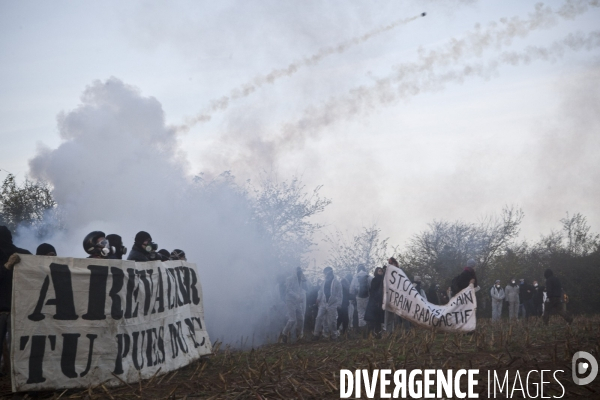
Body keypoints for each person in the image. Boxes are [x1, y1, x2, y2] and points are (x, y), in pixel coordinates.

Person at [0, 226, 31, 377]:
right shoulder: (20, 255)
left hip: (18, 311)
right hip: (7, 311)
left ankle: (18, 379)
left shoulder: (23, 255)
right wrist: (7, 266)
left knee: (19, 349)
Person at [313, 267, 342, 340]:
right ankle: (317, 334)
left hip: (332, 304)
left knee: (332, 320)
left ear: (330, 272)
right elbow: (320, 291)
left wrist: (339, 304)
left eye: (325, 272)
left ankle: (334, 336)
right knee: (319, 318)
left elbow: (340, 294)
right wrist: (318, 298)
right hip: (323, 303)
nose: (325, 274)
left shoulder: (337, 282)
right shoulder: (324, 282)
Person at [281, 267, 307, 343]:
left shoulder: (301, 279)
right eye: (299, 272)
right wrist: (297, 296)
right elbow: (288, 290)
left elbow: (304, 285)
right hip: (290, 301)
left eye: (301, 272)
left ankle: (299, 335)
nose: (300, 273)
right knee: (292, 319)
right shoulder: (290, 279)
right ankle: (284, 333)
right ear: (296, 272)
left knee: (301, 319)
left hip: (298, 302)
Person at [364, 267, 385, 338]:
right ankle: (370, 334)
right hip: (374, 302)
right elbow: (373, 291)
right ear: (376, 272)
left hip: (381, 302)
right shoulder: (374, 280)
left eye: (381, 271)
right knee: (372, 319)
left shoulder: (383, 280)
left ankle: (378, 334)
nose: (381, 272)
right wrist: (376, 300)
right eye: (379, 271)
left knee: (379, 320)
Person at [350, 264, 371, 330]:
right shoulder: (369, 276)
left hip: (359, 298)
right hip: (367, 297)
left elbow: (351, 289)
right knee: (368, 313)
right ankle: (369, 329)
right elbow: (372, 286)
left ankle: (363, 330)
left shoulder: (355, 277)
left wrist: (354, 296)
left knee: (360, 313)